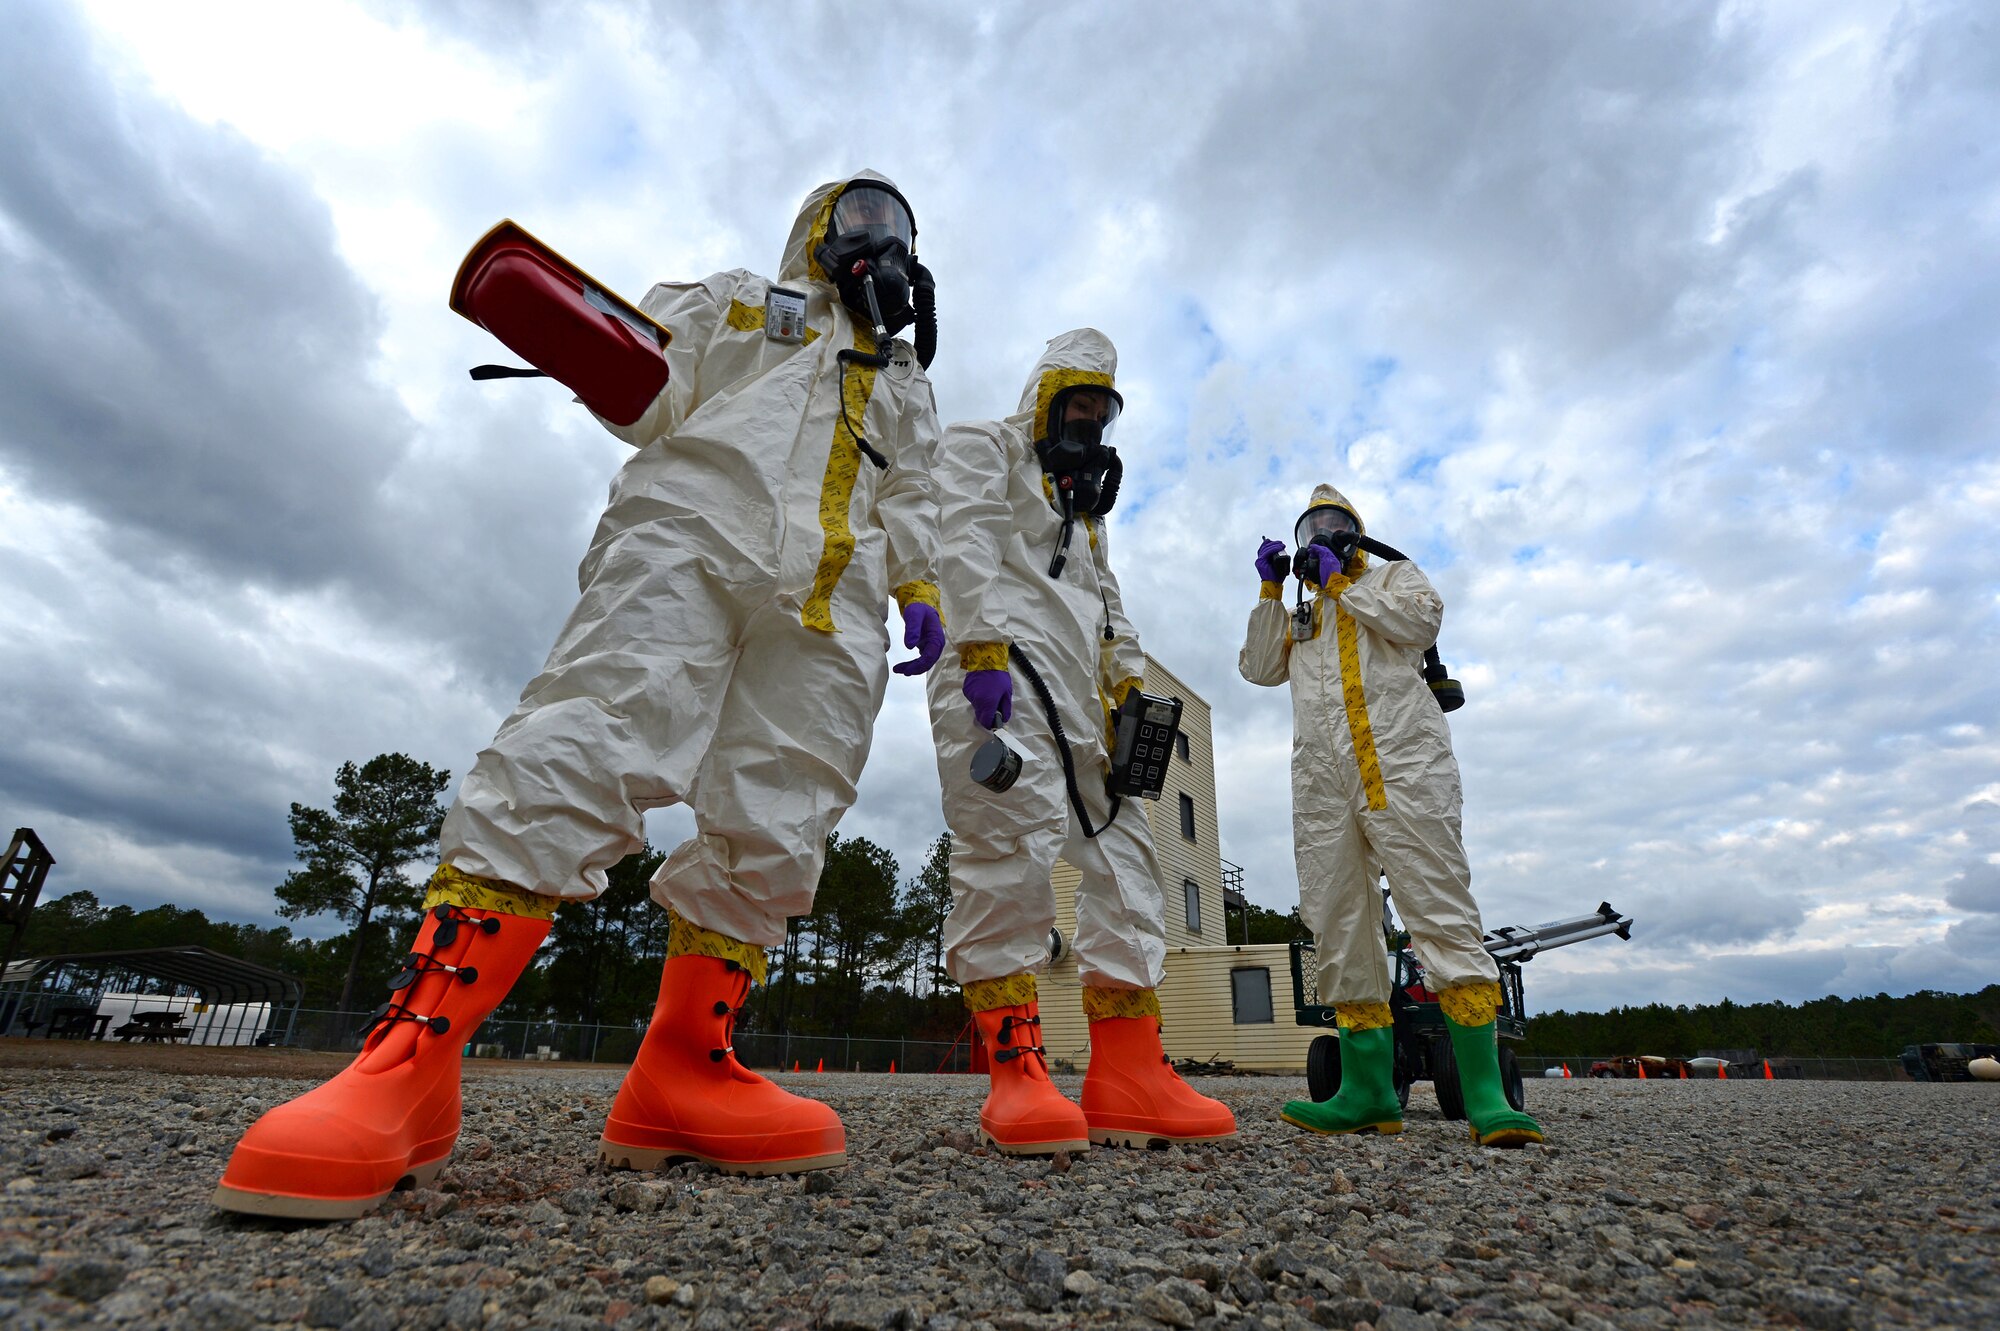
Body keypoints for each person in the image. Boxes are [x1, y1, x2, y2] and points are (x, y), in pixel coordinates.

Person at [214, 172, 945, 1217]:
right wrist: (581, 342)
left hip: (836, 601)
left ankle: (683, 1072)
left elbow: (912, 489)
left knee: (785, 809)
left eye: (899, 226)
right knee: (587, 731)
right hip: (692, 533)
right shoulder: (747, 299)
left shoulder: (907, 383)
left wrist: (918, 584)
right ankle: (409, 1068)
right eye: (861, 217)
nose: (883, 238)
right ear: (815, 233)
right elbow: (651, 384)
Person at [923, 329, 1236, 1155]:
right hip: (1000, 675)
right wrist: (979, 646)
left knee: (1130, 861)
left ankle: (1128, 1071)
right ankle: (1014, 1070)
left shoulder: (1082, 511)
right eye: (1079, 406)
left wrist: (1127, 681)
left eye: (1103, 413)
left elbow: (1108, 605)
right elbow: (960, 537)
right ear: (1046, 399)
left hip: (1081, 702)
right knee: (1008, 845)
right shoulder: (983, 447)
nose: (1090, 424)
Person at [1239, 483, 1542, 1148]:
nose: (1320, 535)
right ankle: (1369, 1090)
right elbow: (1260, 668)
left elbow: (1421, 623)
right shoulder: (1305, 616)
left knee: (1440, 907)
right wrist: (1269, 592)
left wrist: (1346, 584)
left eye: (1333, 524)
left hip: (1405, 770)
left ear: (1356, 532)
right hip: (1322, 785)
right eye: (1310, 527)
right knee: (1338, 921)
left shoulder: (1391, 579)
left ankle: (1487, 1097)